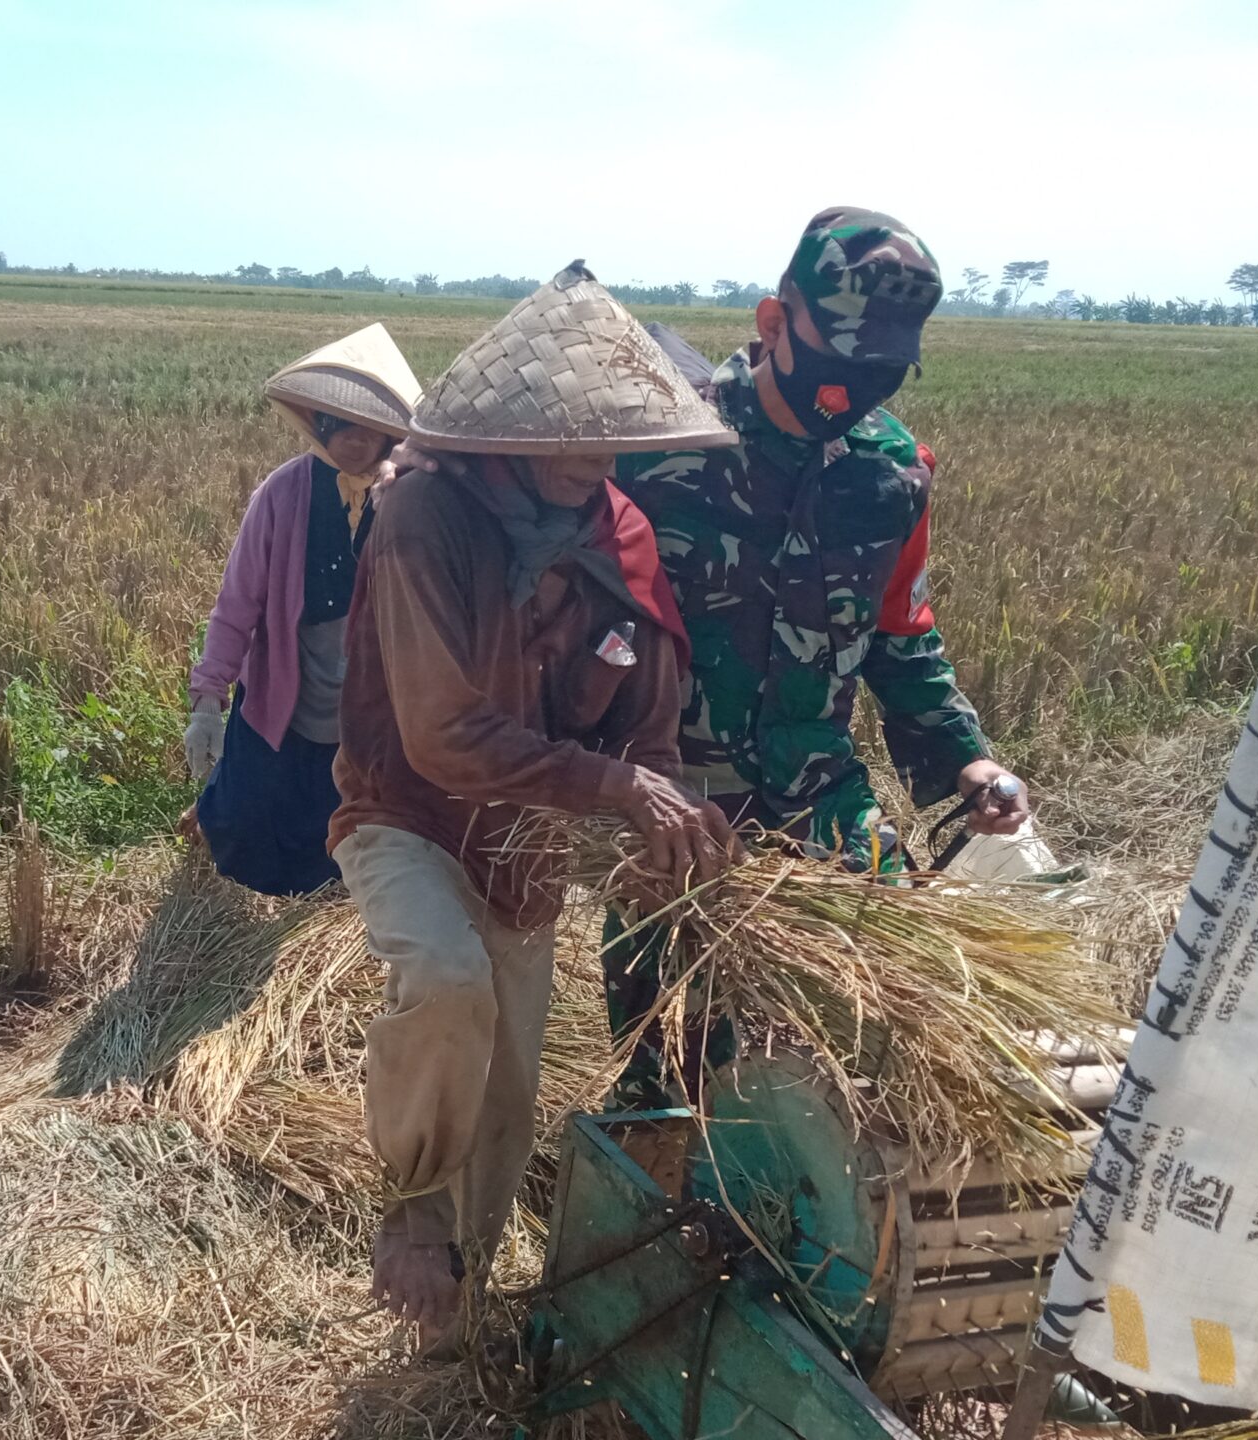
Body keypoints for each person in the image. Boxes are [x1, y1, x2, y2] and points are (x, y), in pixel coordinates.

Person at [330, 265, 740, 1347]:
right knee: (447, 979)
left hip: (529, 842)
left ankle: (451, 1321)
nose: (592, 463)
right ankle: (413, 1215)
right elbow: (443, 735)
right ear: (507, 430)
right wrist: (612, 787)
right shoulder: (425, 514)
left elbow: (645, 724)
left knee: (509, 1092)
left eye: (614, 441)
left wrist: (651, 817)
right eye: (570, 436)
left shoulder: (625, 538)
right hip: (406, 810)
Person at [607, 208, 1032, 1092]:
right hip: (676, 809)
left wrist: (971, 764)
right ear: (773, 324)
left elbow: (901, 634)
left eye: (879, 372)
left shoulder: (890, 476)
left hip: (820, 791)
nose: (854, 392)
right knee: (672, 1067)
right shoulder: (655, 445)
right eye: (839, 365)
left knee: (889, 1029)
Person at [185, 325, 421, 894]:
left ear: (391, 433)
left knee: (336, 828)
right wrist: (208, 699)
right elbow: (237, 602)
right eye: (340, 423)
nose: (353, 439)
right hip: (287, 683)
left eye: (370, 427)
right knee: (247, 813)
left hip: (368, 692)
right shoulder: (283, 493)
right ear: (319, 422)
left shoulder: (412, 500)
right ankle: (206, 833)